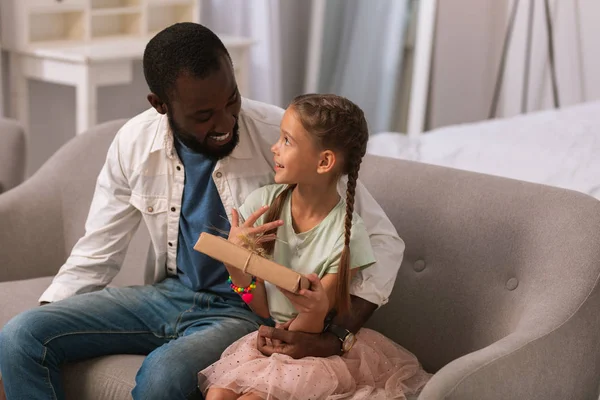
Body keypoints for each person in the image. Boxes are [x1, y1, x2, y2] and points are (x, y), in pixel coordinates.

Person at [0, 23, 404, 400]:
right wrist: (59, 315)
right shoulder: (133, 144)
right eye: (204, 115)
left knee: (163, 377)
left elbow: (381, 240)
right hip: (169, 292)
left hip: (242, 310)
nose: (227, 122)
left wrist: (335, 337)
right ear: (160, 104)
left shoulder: (280, 139)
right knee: (21, 335)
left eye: (232, 101)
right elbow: (97, 252)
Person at [200, 94, 430, 400]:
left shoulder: (349, 235)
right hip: (272, 338)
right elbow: (262, 307)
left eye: (286, 140)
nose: (274, 148)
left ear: (324, 162)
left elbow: (311, 326)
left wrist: (315, 307)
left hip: (312, 349)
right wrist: (235, 261)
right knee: (217, 395)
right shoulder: (261, 205)